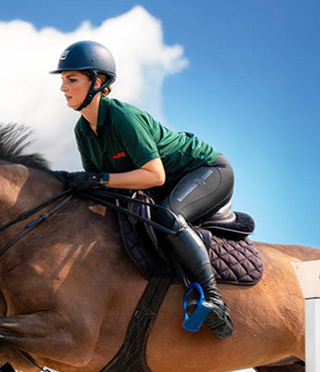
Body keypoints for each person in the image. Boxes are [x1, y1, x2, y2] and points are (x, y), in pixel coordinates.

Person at [52, 40, 235, 339]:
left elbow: (154, 175)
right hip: (167, 180)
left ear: (97, 82)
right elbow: (103, 187)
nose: (63, 88)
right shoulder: (82, 130)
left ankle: (214, 299)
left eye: (71, 80)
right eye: (62, 80)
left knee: (168, 217)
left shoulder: (122, 117)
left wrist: (97, 181)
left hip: (208, 171)